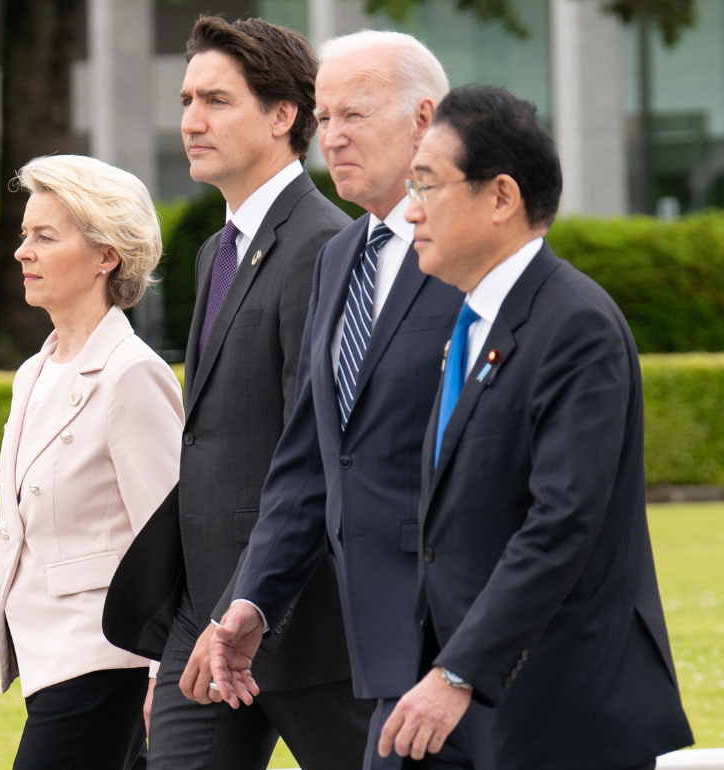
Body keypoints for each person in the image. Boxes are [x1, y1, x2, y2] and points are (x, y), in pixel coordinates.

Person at [373, 85, 694, 769]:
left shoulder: (574, 324)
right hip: (459, 705)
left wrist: (458, 673)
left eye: (427, 185)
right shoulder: (470, 322)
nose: (410, 209)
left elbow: (561, 522)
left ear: (501, 197)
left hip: (557, 712)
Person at [205, 30, 483, 770]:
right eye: (324, 118)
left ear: (424, 119)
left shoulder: (480, 251)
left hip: (463, 638)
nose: (331, 137)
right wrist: (253, 601)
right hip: (374, 641)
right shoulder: (340, 256)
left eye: (352, 115)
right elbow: (311, 458)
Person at [103, 16, 368, 770]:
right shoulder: (213, 253)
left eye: (216, 100)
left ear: (284, 115)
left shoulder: (324, 245)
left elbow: (314, 445)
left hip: (306, 621)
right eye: (187, 100)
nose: (191, 121)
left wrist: (250, 601)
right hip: (203, 612)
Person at [0, 154, 183, 770]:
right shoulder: (32, 373)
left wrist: (159, 674)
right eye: (23, 235)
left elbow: (170, 537)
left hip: (106, 658)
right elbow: (7, 527)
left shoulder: (133, 373)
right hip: (49, 661)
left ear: (105, 256)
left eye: (45, 236)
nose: (22, 252)